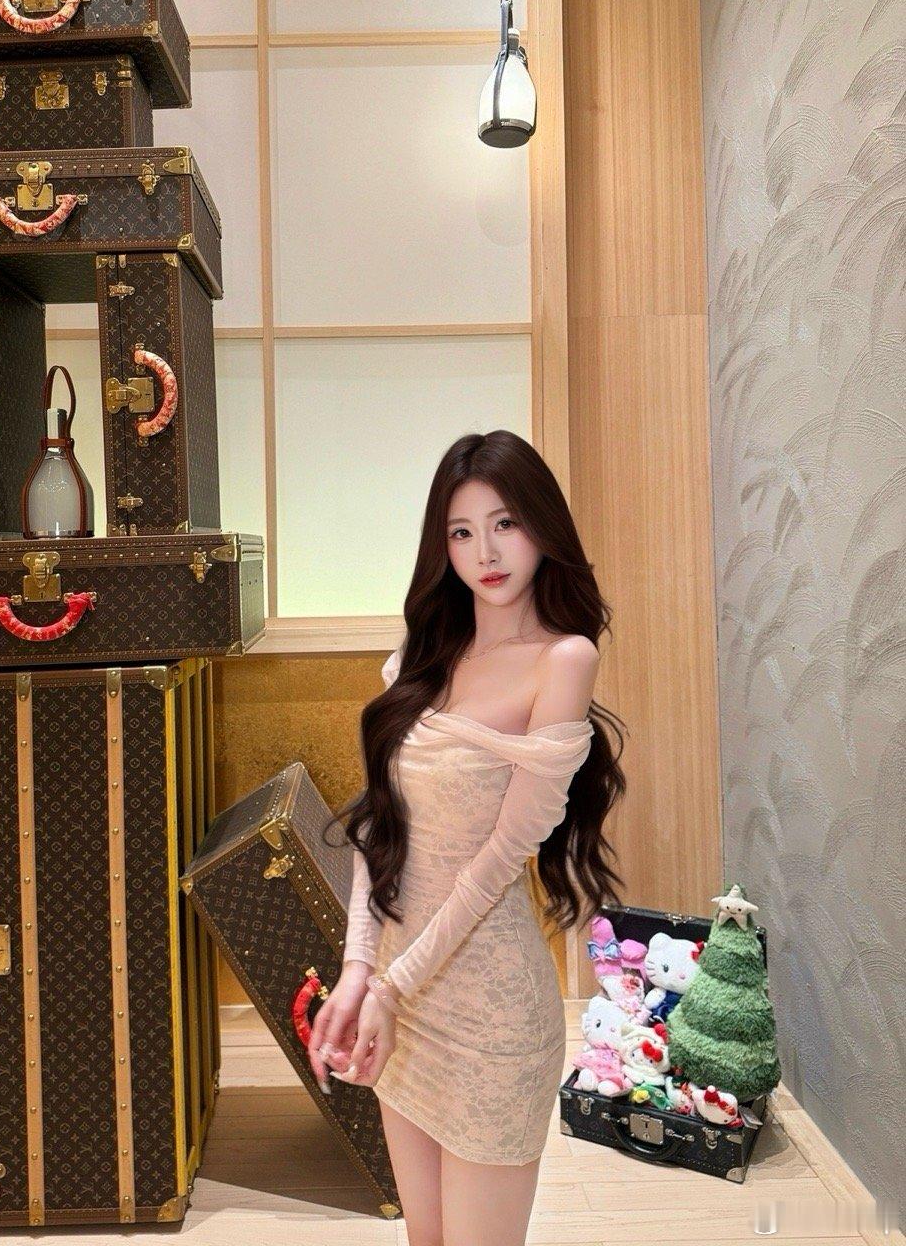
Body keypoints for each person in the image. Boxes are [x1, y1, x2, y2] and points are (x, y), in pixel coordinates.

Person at [310, 429, 627, 1246]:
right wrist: (357, 971)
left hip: (491, 1015)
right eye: (461, 532)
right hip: (400, 1000)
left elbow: (496, 865)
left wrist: (388, 988)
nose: (484, 552)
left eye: (505, 524)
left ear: (542, 527)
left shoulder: (563, 660)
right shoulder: (422, 653)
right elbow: (381, 829)